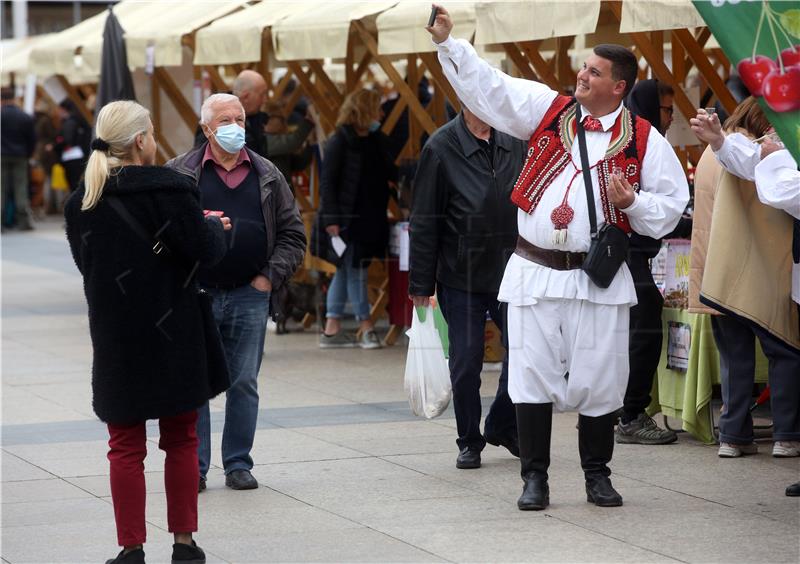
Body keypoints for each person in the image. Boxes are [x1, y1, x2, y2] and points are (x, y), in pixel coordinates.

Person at [428, 5, 689, 510]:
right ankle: (535, 478)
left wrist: (632, 202)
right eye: (583, 68)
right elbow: (492, 86)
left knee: (600, 378)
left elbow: (672, 206)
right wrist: (449, 45)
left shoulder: (643, 139)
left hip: (595, 276)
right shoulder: (548, 111)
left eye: (593, 71)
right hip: (534, 270)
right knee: (530, 374)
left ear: (619, 86)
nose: (581, 75)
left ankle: (597, 475)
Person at [64, 100, 230, 564]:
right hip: (174, 332)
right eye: (152, 132)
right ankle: (183, 545)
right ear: (141, 141)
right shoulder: (173, 190)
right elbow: (204, 253)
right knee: (181, 439)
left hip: (117, 337)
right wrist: (214, 228)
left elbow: (88, 267)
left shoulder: (83, 202)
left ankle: (131, 548)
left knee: (124, 446)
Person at [167, 93, 306, 492]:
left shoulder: (267, 173)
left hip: (250, 293)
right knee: (197, 383)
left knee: (243, 381)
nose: (235, 126)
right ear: (207, 129)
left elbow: (294, 234)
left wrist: (267, 278)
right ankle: (195, 466)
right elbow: (163, 233)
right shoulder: (180, 173)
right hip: (197, 293)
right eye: (225, 120)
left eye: (240, 118)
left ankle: (238, 464)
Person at [409, 107, 524, 468]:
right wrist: (420, 283)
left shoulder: (514, 141)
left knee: (524, 353)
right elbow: (425, 220)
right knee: (466, 361)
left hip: (512, 269)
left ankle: (502, 425)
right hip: (462, 273)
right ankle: (469, 439)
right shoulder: (441, 147)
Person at [690, 103, 800, 459]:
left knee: (736, 360)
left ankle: (733, 436)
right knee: (784, 351)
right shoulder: (756, 147)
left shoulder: (722, 146)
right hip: (759, 267)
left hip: (721, 269)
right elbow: (777, 196)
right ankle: (786, 435)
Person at [614, 79, 681, 445]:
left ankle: (610, 410)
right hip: (624, 252)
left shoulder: (642, 140)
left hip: (630, 253)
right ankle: (631, 415)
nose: (671, 118)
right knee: (643, 324)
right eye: (667, 109)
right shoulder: (637, 143)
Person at [313, 88, 397, 349]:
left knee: (344, 270)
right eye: (377, 108)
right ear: (365, 110)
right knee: (356, 271)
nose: (381, 114)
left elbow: (390, 172)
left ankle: (331, 329)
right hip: (346, 221)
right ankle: (366, 327)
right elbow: (327, 184)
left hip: (370, 219)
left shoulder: (377, 140)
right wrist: (332, 220)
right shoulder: (339, 141)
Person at [1, 87, 36, 230]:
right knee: (20, 187)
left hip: (1, 155)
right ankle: (23, 221)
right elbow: (32, 139)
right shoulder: (24, 116)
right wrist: (28, 153)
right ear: (14, 98)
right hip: (20, 155)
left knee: (1, 188)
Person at [262, 99, 315, 193]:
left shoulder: (274, 141)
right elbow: (293, 142)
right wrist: (309, 121)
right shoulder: (263, 141)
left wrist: (309, 145)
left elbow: (298, 164)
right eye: (280, 118)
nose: (284, 122)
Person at [55, 99, 92, 192]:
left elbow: (68, 140)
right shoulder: (77, 120)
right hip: (79, 156)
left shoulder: (70, 122)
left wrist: (55, 146)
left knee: (74, 186)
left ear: (63, 109)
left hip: (72, 157)